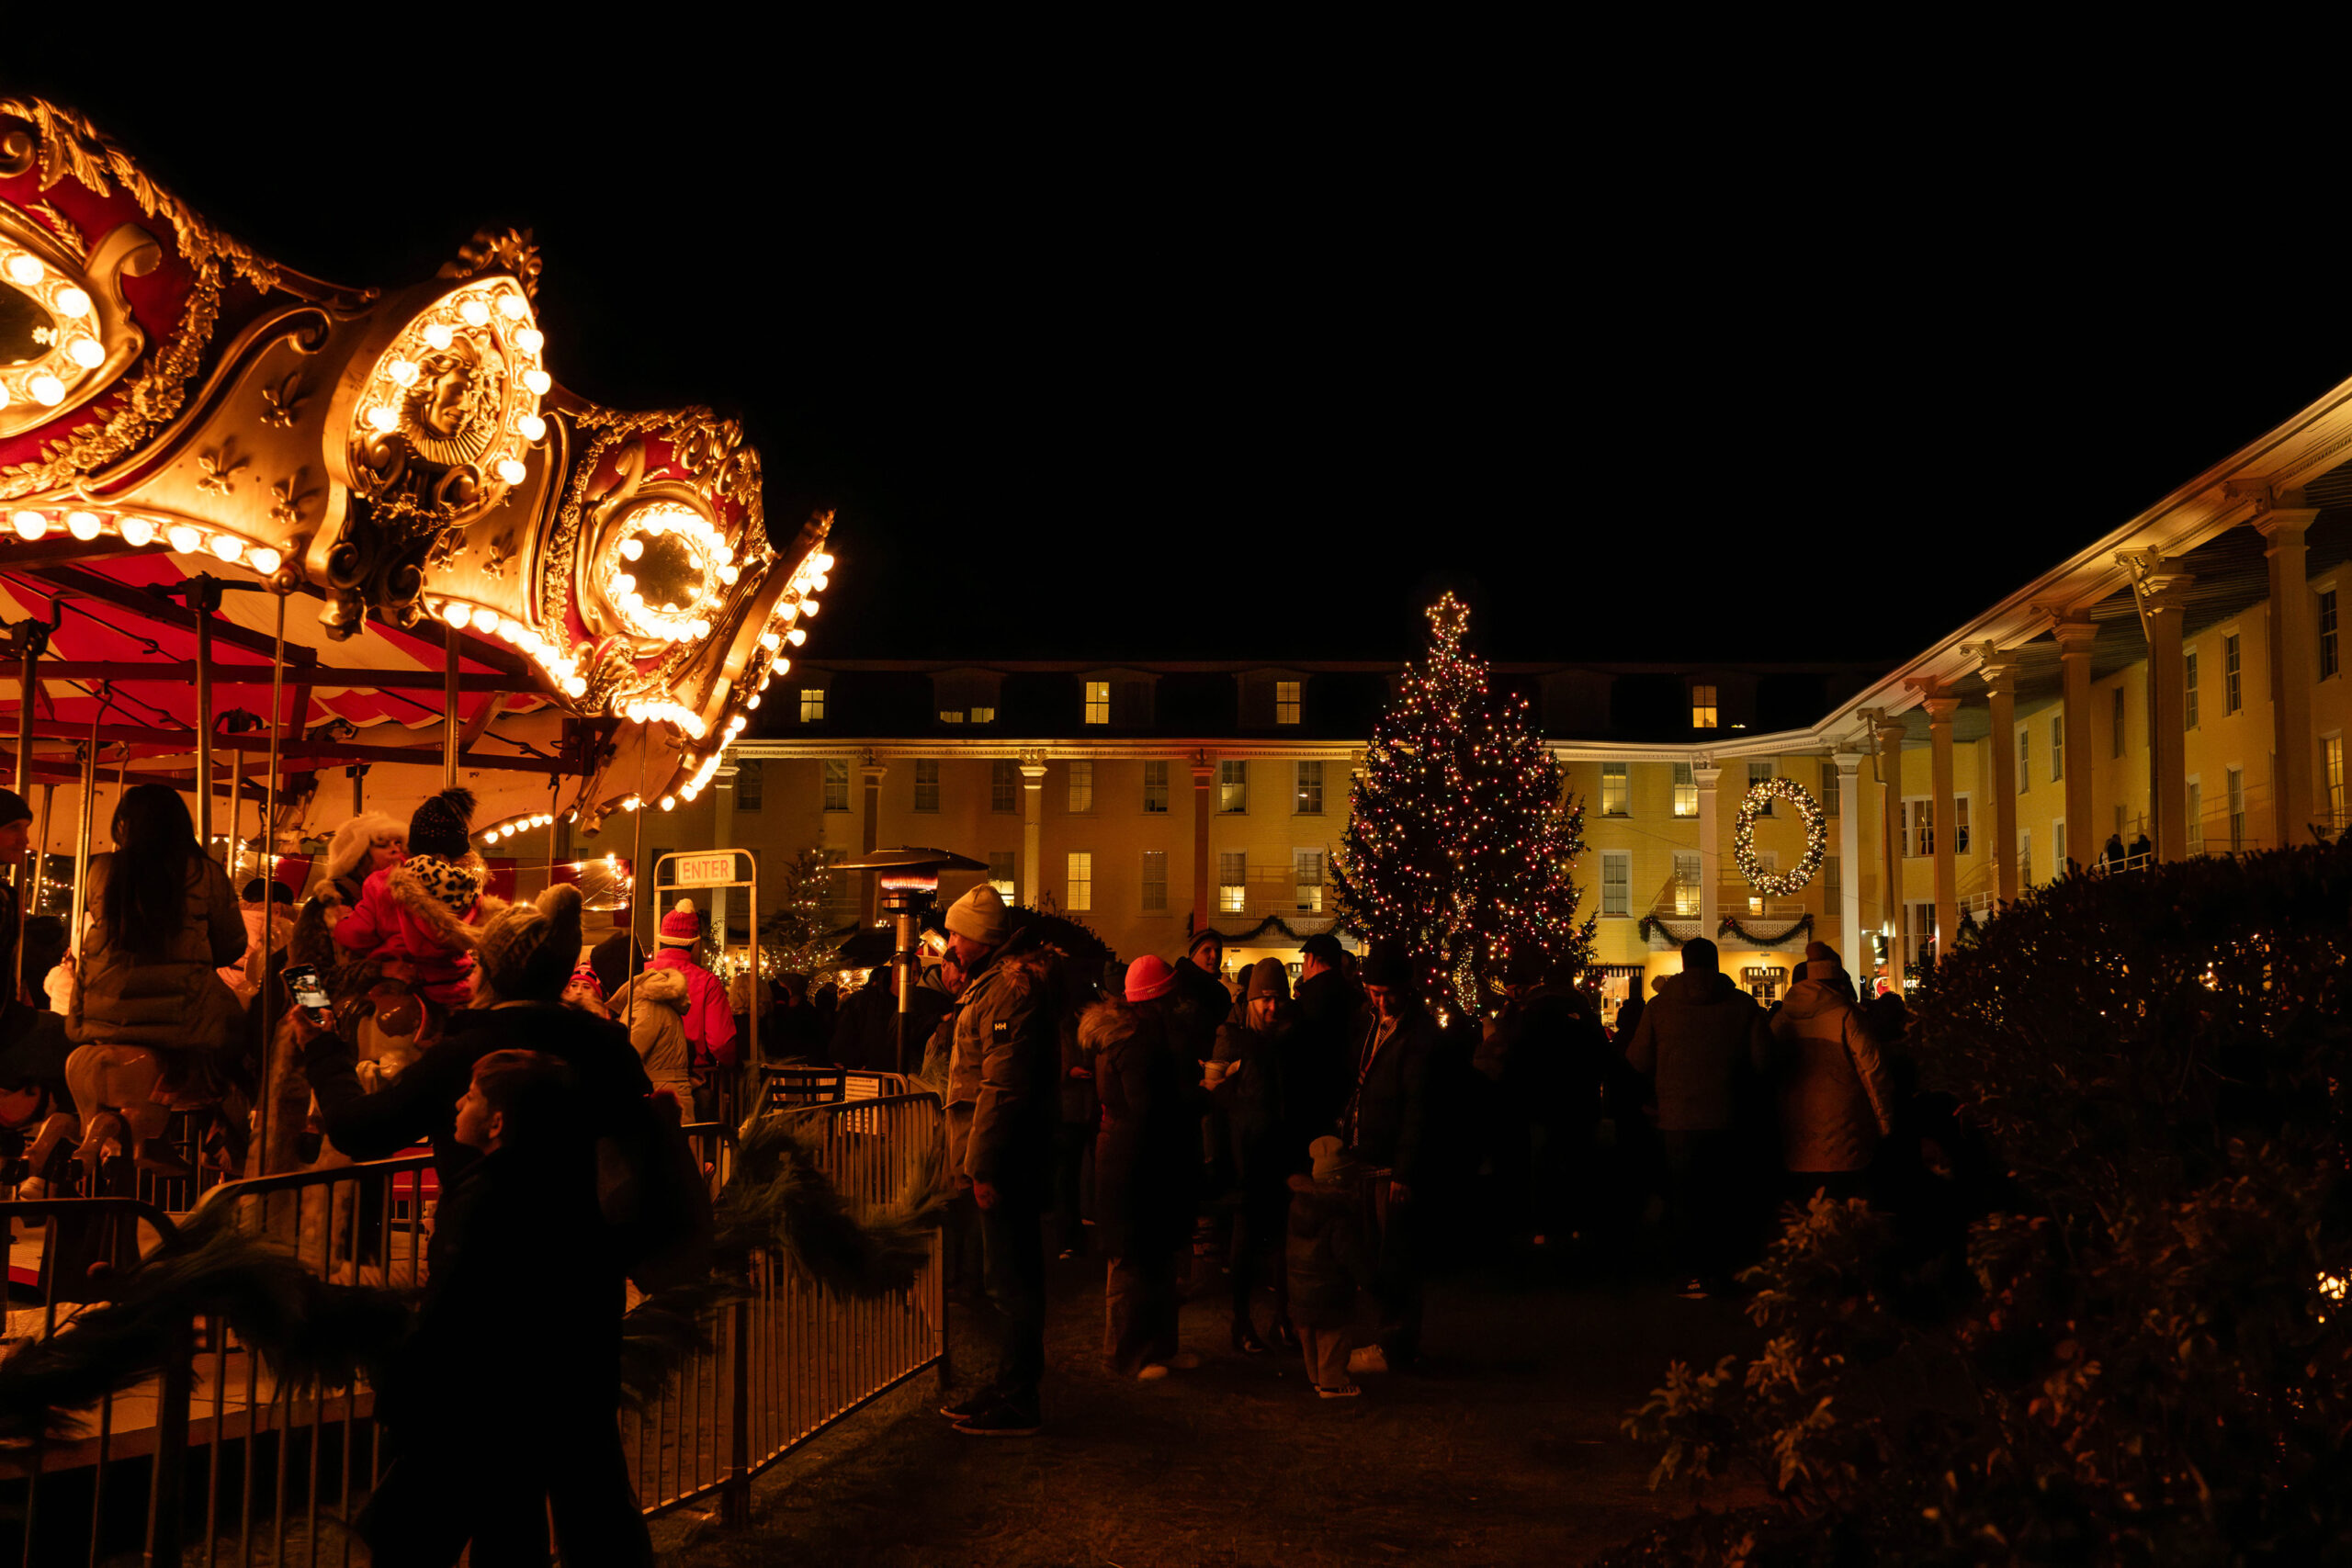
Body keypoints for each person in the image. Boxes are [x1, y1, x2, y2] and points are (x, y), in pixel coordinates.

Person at [299, 883, 654, 1563]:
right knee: (589, 1474)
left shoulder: (475, 1054)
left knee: (498, 1480)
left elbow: (362, 1128)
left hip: (489, 1290)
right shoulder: (606, 1046)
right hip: (585, 1281)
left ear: (488, 970)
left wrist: (321, 1048)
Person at [359, 1047, 645, 1566]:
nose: (455, 1108)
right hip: (539, 1404)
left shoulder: (486, 1197)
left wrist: (404, 1386)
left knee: (412, 1539)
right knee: (511, 1532)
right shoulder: (568, 1185)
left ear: (497, 1121)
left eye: (469, 1098)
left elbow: (454, 1312)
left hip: (478, 1407)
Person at [67, 784, 247, 1168]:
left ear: (124, 824)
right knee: (241, 1047)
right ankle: (235, 1132)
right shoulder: (204, 873)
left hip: (102, 1015)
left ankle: (147, 1138)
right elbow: (232, 944)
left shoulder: (101, 870)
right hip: (178, 1021)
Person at [937, 885, 1061, 1435]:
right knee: (1004, 1277)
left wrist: (981, 1165)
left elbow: (1001, 1084)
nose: (952, 941)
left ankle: (1018, 1397)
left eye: (958, 932)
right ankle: (1008, 1384)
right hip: (1001, 1153)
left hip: (1005, 1158)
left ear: (980, 938)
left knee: (1010, 1280)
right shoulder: (994, 985)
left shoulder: (1008, 992)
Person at [1623, 938, 1772, 1298]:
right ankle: (1725, 1269)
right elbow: (1764, 1061)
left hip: (1677, 1118)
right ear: (1717, 963)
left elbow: (1637, 1059)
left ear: (1684, 963)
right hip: (1726, 1115)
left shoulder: (1659, 1007)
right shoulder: (1743, 1005)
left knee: (1684, 1199)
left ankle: (1690, 1274)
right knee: (1723, 1197)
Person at [1080, 954, 1202, 1378]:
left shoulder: (1141, 1036)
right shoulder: (1133, 1043)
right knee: (1131, 1261)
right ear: (1155, 999)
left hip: (1142, 1160)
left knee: (1154, 1258)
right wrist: (1200, 1099)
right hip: (1131, 1164)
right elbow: (1148, 1109)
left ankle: (1156, 1348)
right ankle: (1125, 1355)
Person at [1340, 948, 1440, 1373]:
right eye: (1374, 992)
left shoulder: (1418, 1036)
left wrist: (1405, 1170)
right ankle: (1389, 1339)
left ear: (1406, 990)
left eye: (1388, 994)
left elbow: (1419, 1108)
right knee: (1376, 1257)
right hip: (1368, 1157)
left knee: (1396, 1259)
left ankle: (1395, 1346)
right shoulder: (1374, 1025)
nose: (1381, 1002)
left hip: (1390, 1166)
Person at [330, 787, 485, 1013]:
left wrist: (339, 926)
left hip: (406, 985)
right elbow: (303, 971)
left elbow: (356, 935)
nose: (395, 848)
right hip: (457, 984)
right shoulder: (469, 888)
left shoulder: (383, 884)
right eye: (384, 843)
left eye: (397, 842)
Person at [1214, 957, 1300, 1352]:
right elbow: (1218, 1100)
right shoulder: (1233, 1038)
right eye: (1265, 1000)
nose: (1272, 1008)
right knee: (1245, 1241)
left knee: (1285, 1241)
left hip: (1282, 1152)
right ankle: (1242, 1321)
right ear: (1250, 1001)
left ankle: (1285, 1318)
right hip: (1246, 1157)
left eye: (1278, 999)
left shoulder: (1289, 1039)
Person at [1766, 943, 1896, 1203]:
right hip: (1845, 1130)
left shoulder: (1781, 1019)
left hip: (1794, 1128)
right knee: (1845, 1206)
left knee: (1806, 1208)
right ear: (1838, 981)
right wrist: (1885, 1123)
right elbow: (1873, 1070)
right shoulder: (1846, 1015)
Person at [1287, 1135, 1376, 1398]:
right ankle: (1333, 1382)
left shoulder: (1299, 1205)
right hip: (1329, 1289)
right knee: (1332, 1337)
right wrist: (1369, 1279)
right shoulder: (1338, 1213)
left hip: (1301, 1286)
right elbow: (1348, 1254)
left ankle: (1316, 1377)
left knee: (1309, 1336)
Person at [642, 899, 735, 1118]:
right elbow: (721, 1043)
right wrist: (733, 1064)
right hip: (692, 1083)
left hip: (642, 1083)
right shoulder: (707, 982)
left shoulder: (639, 974)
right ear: (695, 944)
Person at [1289, 932, 1361, 1140]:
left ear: (1310, 958)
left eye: (1303, 959)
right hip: (1347, 1095)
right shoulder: (1354, 997)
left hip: (1313, 1097)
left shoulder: (1309, 999)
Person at [831, 959, 952, 1074]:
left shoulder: (919, 1001)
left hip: (901, 1075)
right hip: (868, 1076)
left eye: (919, 973)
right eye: (913, 973)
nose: (917, 979)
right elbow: (844, 1037)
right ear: (898, 972)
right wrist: (857, 1065)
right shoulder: (864, 1001)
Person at [606, 964, 694, 1109]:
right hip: (669, 1093)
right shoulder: (654, 1003)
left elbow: (627, 1054)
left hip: (661, 1096)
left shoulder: (646, 1005)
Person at [310, 810, 405, 908]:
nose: (396, 849)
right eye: (382, 844)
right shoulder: (336, 895)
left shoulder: (399, 891)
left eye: (397, 842)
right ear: (359, 854)